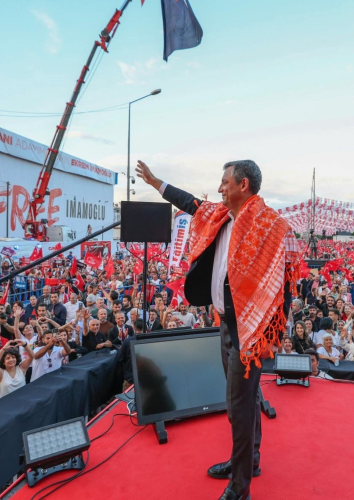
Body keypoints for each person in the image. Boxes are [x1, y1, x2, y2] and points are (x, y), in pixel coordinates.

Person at [137, 158, 299, 500]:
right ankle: (249, 460)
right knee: (245, 400)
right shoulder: (219, 216)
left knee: (238, 406)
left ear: (243, 184)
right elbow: (189, 202)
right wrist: (155, 182)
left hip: (249, 331)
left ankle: (240, 487)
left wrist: (272, 333)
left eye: (225, 182)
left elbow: (284, 285)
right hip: (225, 324)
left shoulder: (271, 226)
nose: (220, 188)